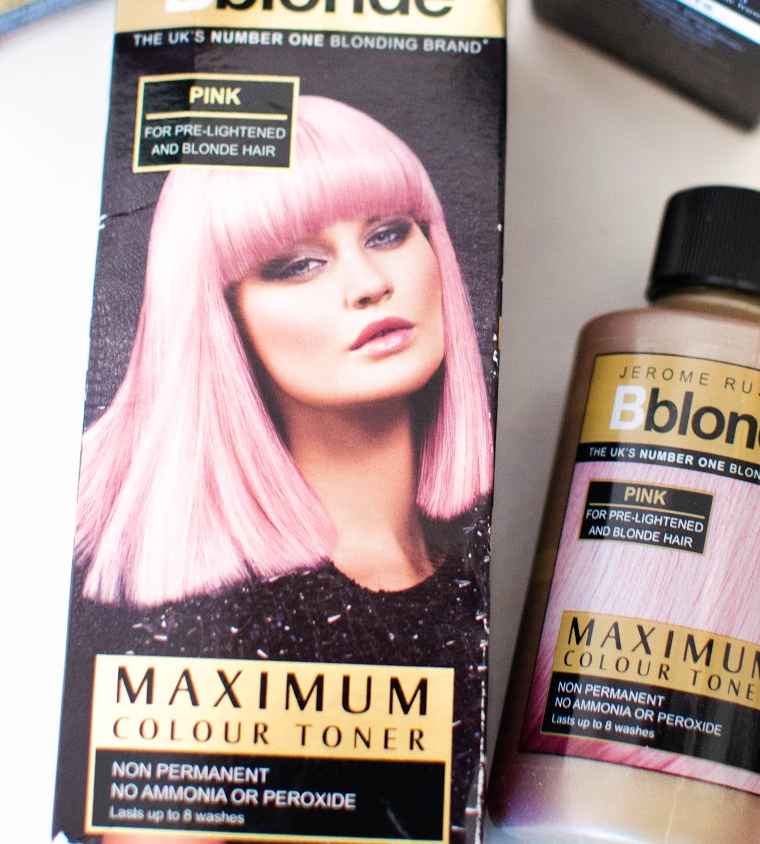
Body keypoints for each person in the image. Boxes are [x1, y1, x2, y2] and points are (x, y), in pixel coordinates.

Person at [75, 94, 493, 609]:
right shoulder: (217, 611)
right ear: (225, 319)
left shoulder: (481, 562)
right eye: (299, 266)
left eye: (387, 235)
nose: (369, 284)